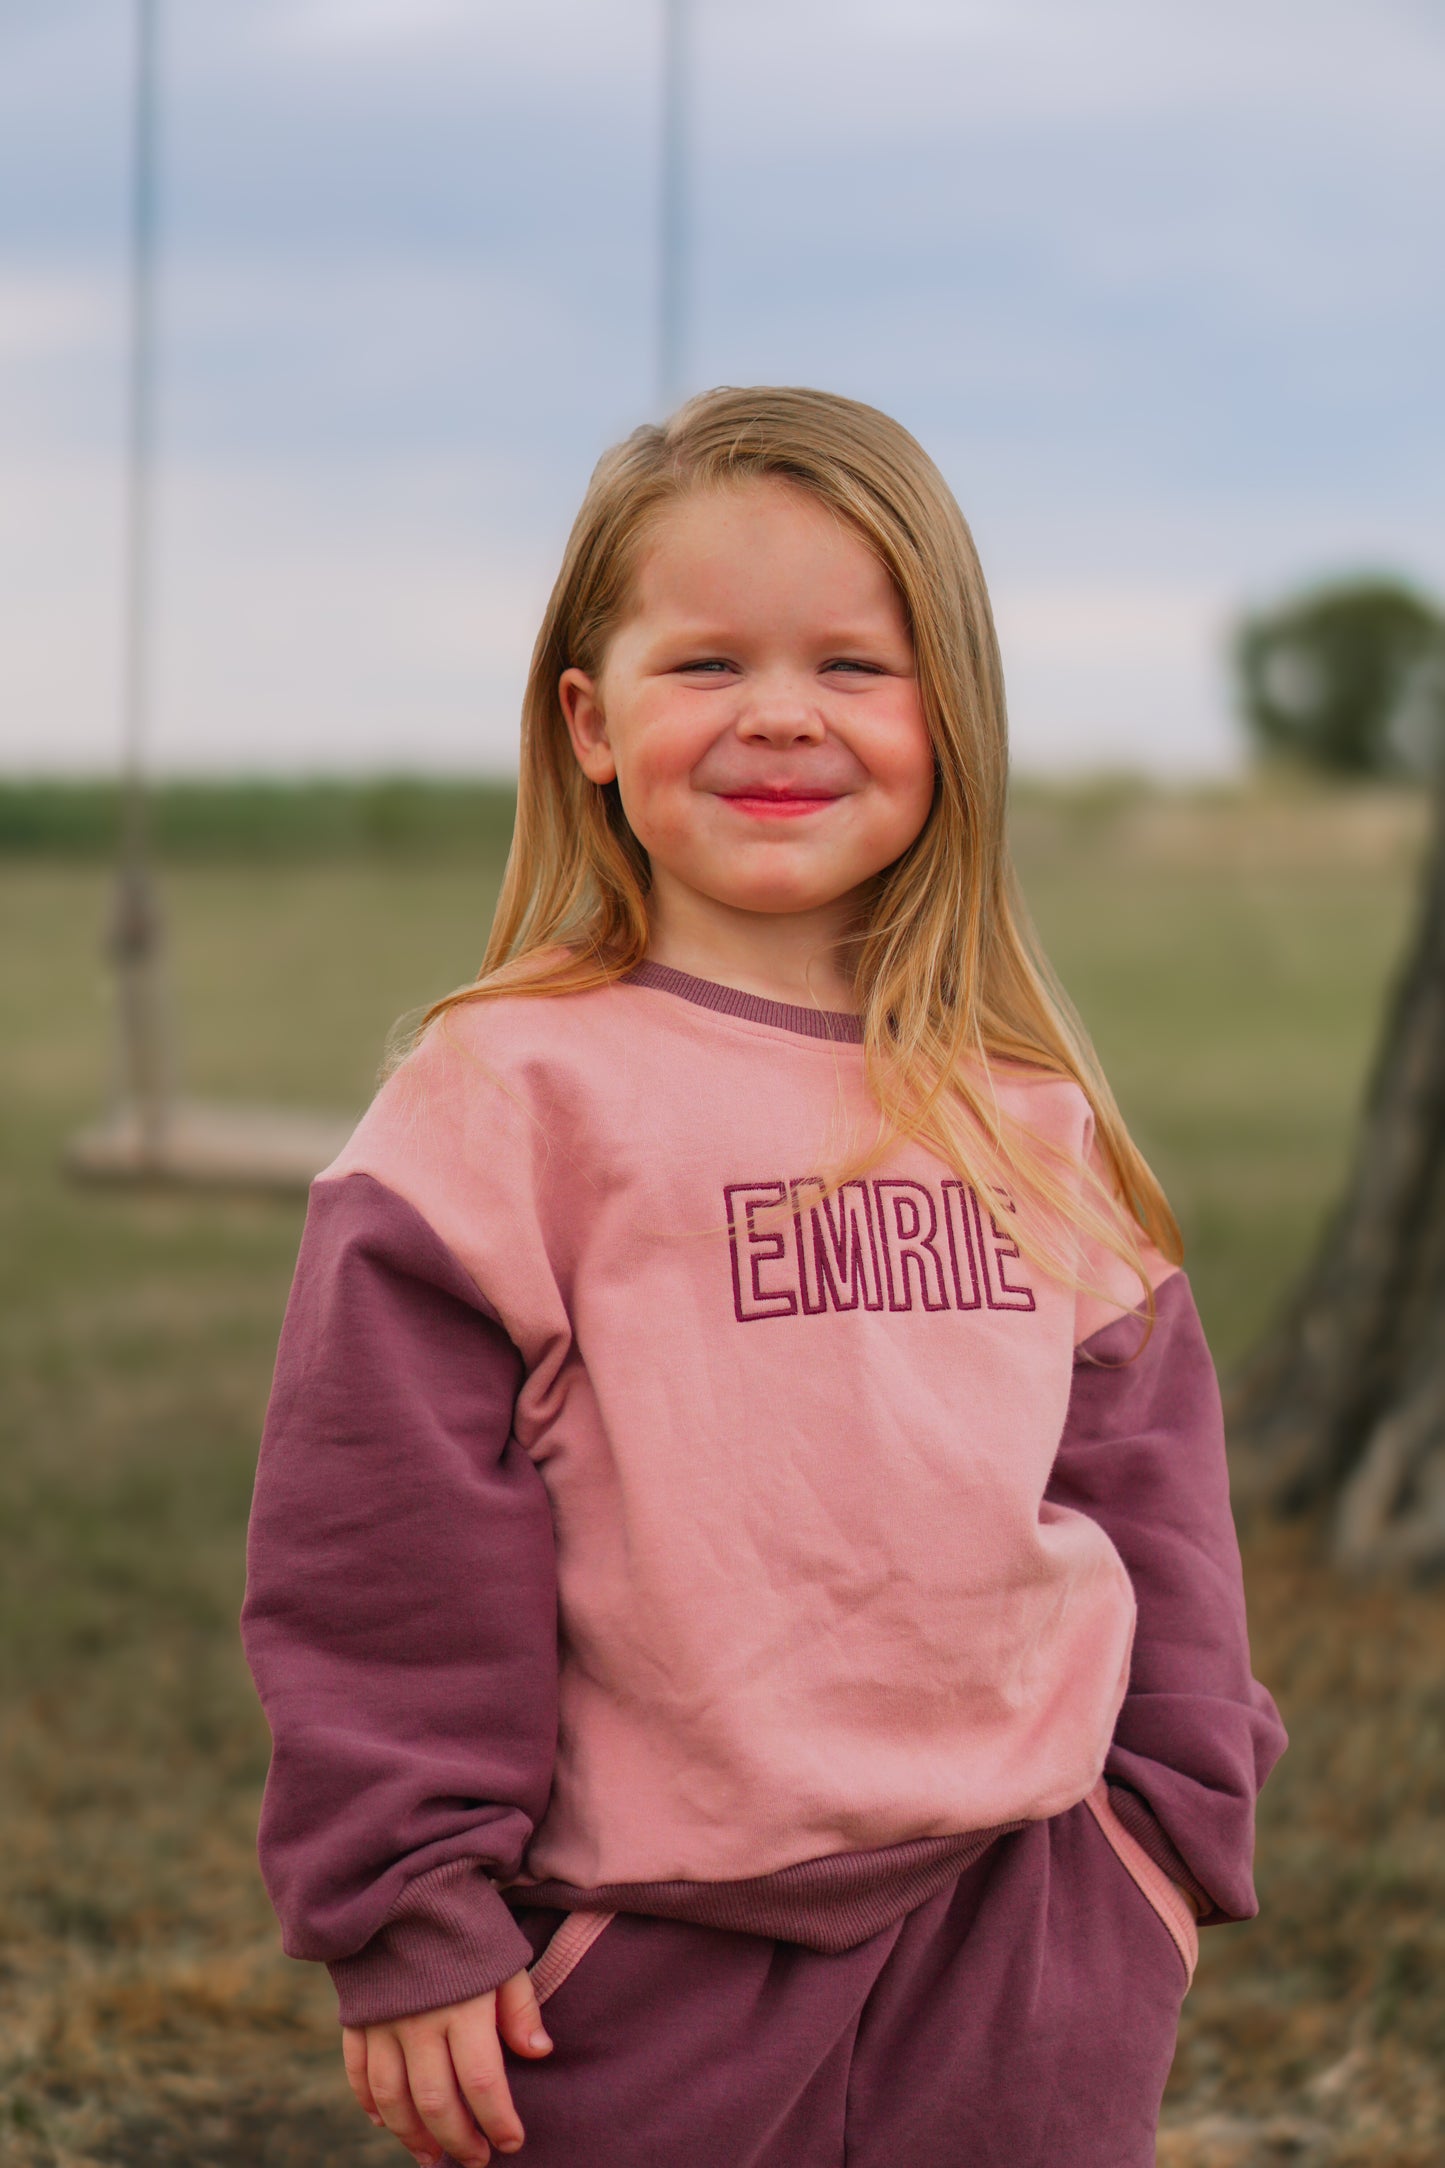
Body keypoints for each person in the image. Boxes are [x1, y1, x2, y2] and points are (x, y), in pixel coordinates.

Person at [241, 385, 1286, 2168]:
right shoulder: (505, 1101)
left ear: (947, 715)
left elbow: (1152, 1509)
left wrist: (1164, 1848)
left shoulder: (1024, 1115)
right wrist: (406, 1909)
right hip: (641, 1959)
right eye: (706, 663)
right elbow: (377, 1546)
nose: (780, 715)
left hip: (1028, 1923)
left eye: (854, 668)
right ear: (588, 719)